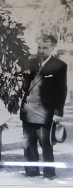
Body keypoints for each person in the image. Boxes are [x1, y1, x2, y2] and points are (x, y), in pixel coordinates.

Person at [20, 35, 67, 179]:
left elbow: (62, 90)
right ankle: (32, 171)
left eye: (44, 48)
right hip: (28, 110)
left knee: (45, 144)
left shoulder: (59, 65)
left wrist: (58, 112)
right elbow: (25, 87)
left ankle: (49, 173)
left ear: (53, 48)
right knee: (28, 144)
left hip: (45, 112)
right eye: (39, 47)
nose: (40, 50)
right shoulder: (30, 62)